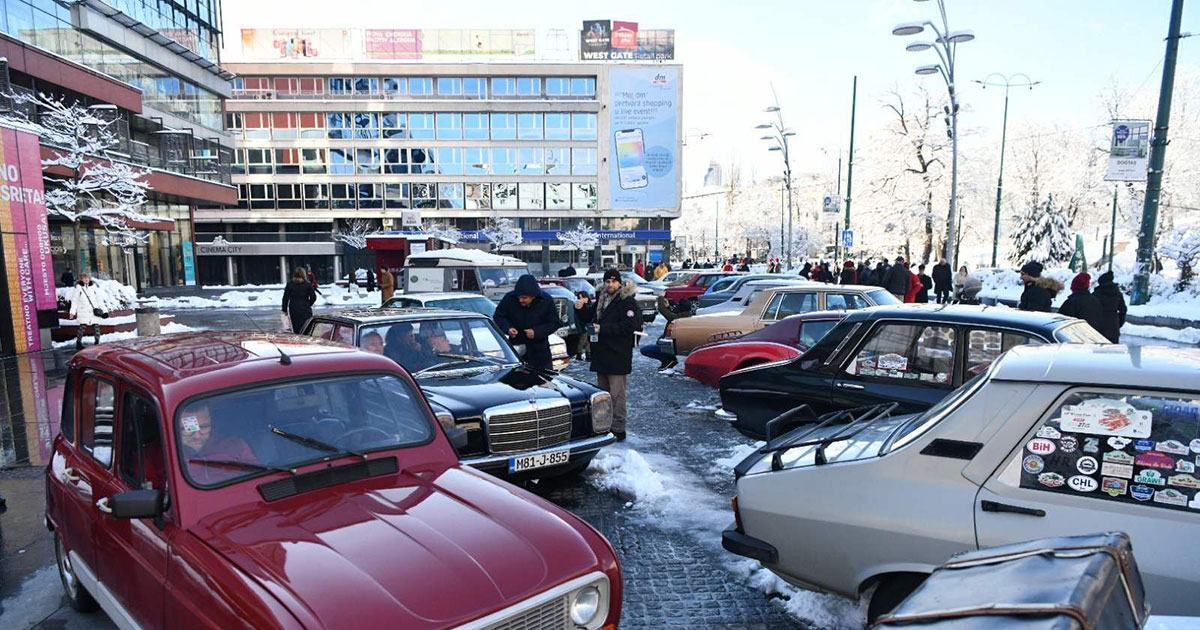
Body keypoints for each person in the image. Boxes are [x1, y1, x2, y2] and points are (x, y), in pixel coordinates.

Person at [575, 269, 642, 441]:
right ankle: (603, 426)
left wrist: (603, 329)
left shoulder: (626, 301)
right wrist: (581, 309)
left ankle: (619, 429)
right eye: (607, 281)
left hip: (618, 355)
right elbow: (589, 318)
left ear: (619, 283)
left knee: (617, 395)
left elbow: (630, 325)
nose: (610, 285)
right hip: (601, 354)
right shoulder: (601, 299)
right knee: (602, 395)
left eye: (613, 281)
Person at [493, 274, 563, 371]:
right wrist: (508, 328)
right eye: (519, 297)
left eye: (524, 298)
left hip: (540, 352)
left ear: (533, 296)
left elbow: (555, 323)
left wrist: (537, 332)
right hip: (516, 350)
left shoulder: (546, 300)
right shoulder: (509, 298)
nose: (520, 300)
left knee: (542, 382)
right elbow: (499, 317)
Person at [179, 403, 256, 484]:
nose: (197, 436)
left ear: (212, 424)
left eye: (204, 427)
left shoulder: (234, 444)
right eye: (187, 429)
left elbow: (256, 476)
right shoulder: (172, 454)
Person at [70, 273, 104, 350]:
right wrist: (72, 312)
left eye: (87, 278)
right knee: (82, 327)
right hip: (83, 311)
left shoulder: (94, 287)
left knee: (96, 327)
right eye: (84, 278)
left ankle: (97, 342)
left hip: (93, 311)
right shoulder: (78, 288)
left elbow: (99, 300)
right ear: (81, 279)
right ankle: (78, 343)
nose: (86, 279)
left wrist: (104, 311)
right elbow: (74, 301)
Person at [1093, 270, 1128, 343]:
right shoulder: (1117, 293)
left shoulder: (1096, 294)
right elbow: (1123, 310)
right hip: (1113, 327)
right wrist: (1118, 323)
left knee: (1097, 351)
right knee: (1113, 351)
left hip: (1099, 327)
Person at [282, 267, 317, 333]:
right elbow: (313, 297)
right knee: (307, 328)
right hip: (305, 308)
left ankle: (298, 341)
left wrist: (284, 310)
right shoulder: (308, 285)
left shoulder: (290, 284)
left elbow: (285, 298)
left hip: (294, 308)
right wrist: (308, 304)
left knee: (296, 328)